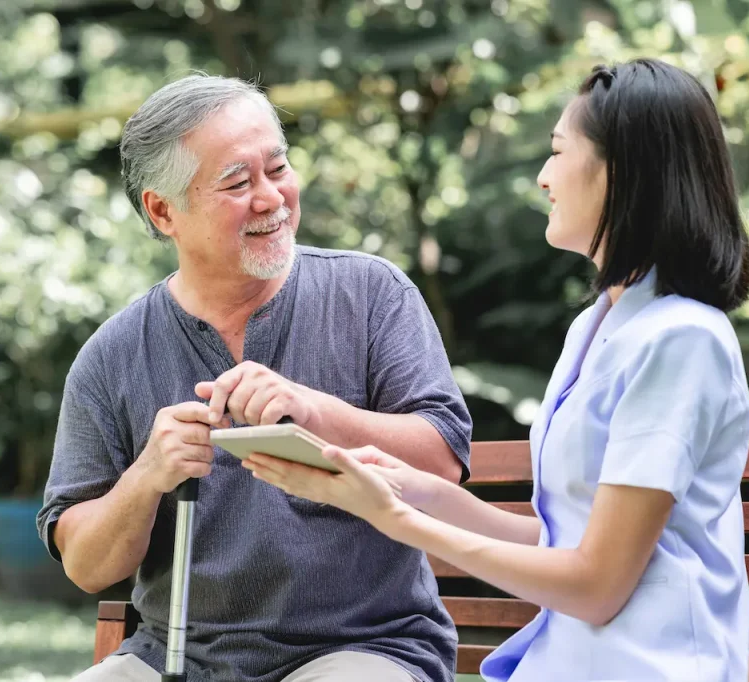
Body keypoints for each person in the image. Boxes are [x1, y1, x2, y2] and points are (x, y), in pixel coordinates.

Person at [244, 58, 749, 681]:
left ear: (620, 171)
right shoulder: (599, 326)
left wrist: (395, 520)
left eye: (558, 152)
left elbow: (596, 584)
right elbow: (559, 544)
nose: (543, 177)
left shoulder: (683, 340)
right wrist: (413, 489)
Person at [36, 73, 473, 682]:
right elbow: (85, 565)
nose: (271, 197)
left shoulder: (372, 294)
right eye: (238, 183)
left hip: (365, 649)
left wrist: (315, 413)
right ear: (163, 211)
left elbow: (442, 462)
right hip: (173, 659)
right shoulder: (112, 355)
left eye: (279, 168)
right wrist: (146, 476)